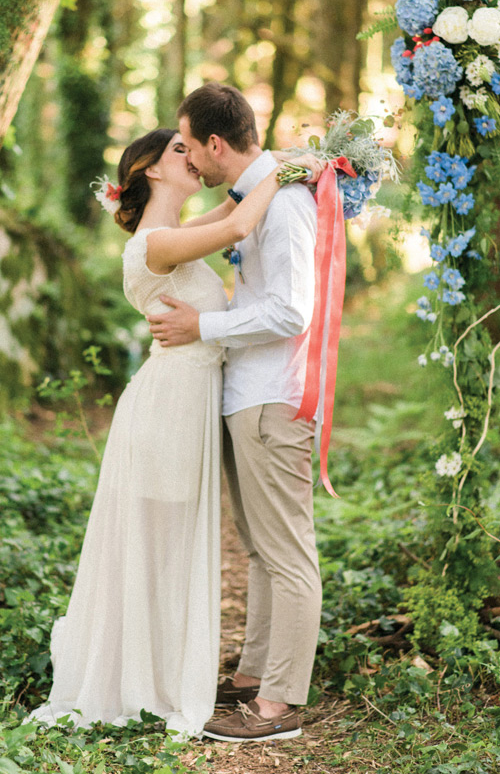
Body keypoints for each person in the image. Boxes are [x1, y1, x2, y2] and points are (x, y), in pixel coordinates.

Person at [29, 126, 322, 738]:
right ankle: (144, 677)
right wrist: (289, 170)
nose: (193, 158)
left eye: (193, 147)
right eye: (178, 152)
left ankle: (161, 668)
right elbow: (240, 226)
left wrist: (286, 164)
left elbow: (233, 206)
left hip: (193, 400)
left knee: (173, 540)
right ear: (151, 170)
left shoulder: (176, 234)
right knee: (158, 540)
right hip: (168, 407)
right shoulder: (157, 243)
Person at [147, 82, 322, 743]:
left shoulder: (287, 203)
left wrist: (205, 327)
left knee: (288, 551)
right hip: (246, 393)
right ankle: (254, 674)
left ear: (215, 143)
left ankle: (279, 705)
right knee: (259, 548)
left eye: (190, 145)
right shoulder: (256, 194)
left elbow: (291, 310)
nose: (189, 158)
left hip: (275, 397)